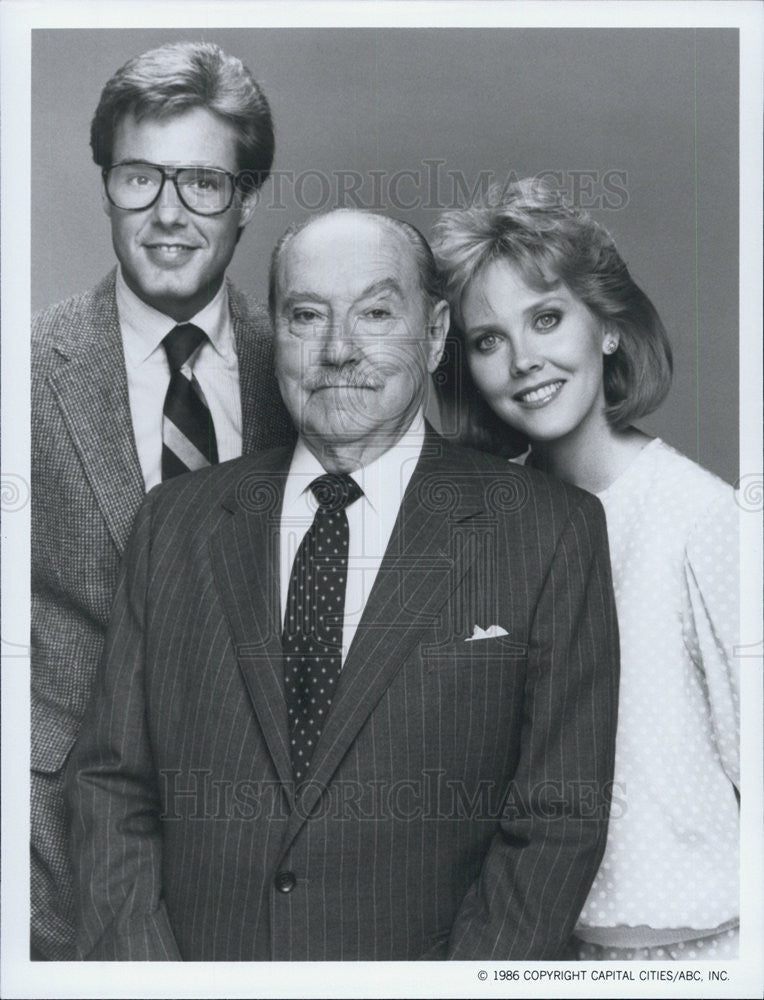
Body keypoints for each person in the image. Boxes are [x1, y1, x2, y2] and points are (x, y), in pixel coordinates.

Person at [65, 208, 620, 961]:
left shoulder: (548, 531)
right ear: (275, 336)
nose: (338, 350)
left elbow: (556, 818)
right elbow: (110, 786)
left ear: (433, 335)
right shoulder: (176, 524)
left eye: (376, 314)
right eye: (305, 316)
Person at [31, 41, 294, 960]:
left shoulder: (306, 370)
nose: (170, 214)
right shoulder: (23, 372)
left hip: (263, 866)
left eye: (204, 184)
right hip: (49, 866)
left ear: (248, 199)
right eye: (141, 177)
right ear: (106, 184)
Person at [432, 179, 740, 960]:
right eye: (488, 339)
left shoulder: (703, 520)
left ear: (605, 325)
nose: (524, 360)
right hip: (543, 955)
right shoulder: (491, 531)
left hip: (704, 951)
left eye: (546, 318)